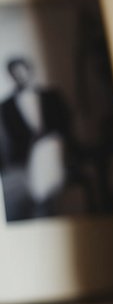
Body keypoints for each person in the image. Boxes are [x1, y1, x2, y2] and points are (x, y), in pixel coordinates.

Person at [0, 56, 74, 220]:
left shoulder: (52, 96)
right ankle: (43, 202)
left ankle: (43, 201)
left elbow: (65, 126)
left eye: (22, 72)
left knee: (48, 149)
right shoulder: (6, 107)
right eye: (15, 74)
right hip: (27, 156)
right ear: (11, 76)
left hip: (57, 148)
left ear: (29, 71)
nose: (20, 76)